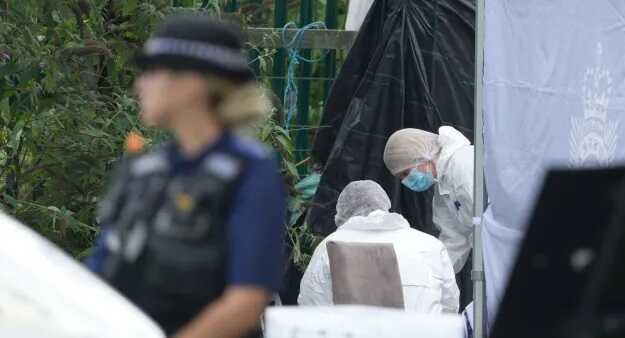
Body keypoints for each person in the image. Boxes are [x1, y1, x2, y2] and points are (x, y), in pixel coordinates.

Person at [85, 15, 286, 338]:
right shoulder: (145, 171)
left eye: (151, 72)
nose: (140, 85)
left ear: (191, 82)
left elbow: (248, 299)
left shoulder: (249, 172)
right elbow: (100, 275)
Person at [298, 180, 459, 314]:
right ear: (385, 206)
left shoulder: (330, 246)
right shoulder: (430, 244)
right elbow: (449, 305)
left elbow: (312, 306)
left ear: (343, 213)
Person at [383, 126, 474, 274]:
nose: (407, 181)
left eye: (406, 172)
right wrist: (428, 276)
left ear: (424, 155)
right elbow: (454, 240)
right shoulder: (443, 188)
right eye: (401, 178)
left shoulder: (463, 163)